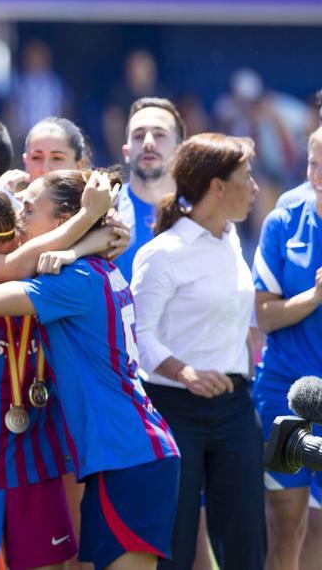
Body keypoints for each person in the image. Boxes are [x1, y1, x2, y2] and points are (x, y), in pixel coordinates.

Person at [0, 169, 180, 570]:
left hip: (129, 454)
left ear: (64, 219)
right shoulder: (90, 265)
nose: (20, 220)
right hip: (126, 452)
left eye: (29, 210)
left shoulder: (77, 277)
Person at [131, 134, 264, 570]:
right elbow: (142, 336)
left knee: (246, 542)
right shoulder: (162, 253)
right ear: (217, 187)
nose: (256, 187)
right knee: (176, 544)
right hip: (174, 410)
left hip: (235, 407)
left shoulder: (234, 241)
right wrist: (185, 371)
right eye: (247, 178)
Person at [255, 126, 322, 570]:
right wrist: (315, 297)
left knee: (318, 527)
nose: (318, 175)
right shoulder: (285, 217)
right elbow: (264, 315)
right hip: (286, 394)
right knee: (286, 523)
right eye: (315, 162)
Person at [113, 98, 184, 282]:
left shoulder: (201, 213)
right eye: (138, 136)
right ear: (126, 152)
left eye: (159, 135)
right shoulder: (106, 210)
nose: (148, 143)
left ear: (180, 150)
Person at [22, 117, 89, 181]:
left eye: (57, 158)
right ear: (26, 162)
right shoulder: (12, 191)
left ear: (79, 166)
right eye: (36, 157)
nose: (45, 169)